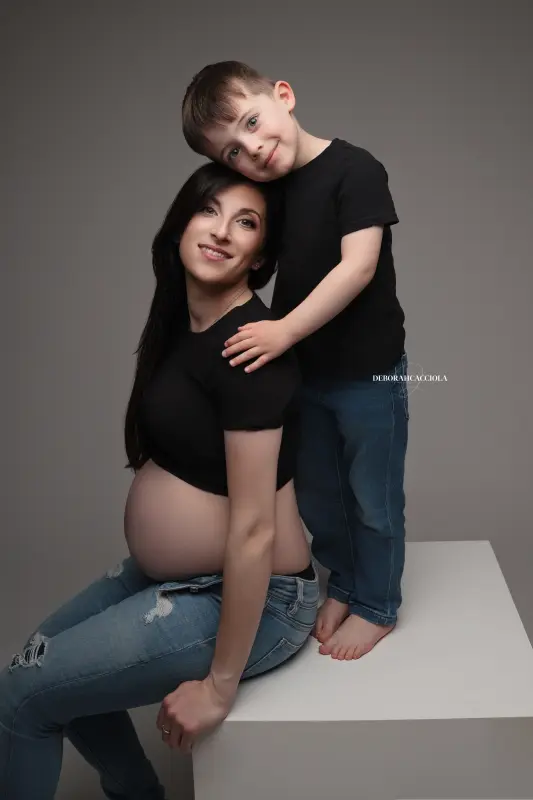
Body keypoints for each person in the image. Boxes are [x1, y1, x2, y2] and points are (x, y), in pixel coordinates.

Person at [0, 162, 318, 800]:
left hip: (251, 599)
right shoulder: (184, 323)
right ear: (181, 222)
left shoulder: (248, 351)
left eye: (246, 222)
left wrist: (220, 686)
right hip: (171, 581)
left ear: (261, 257)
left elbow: (254, 530)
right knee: (33, 666)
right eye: (210, 210)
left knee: (21, 699)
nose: (223, 231)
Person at [181, 61, 409, 661]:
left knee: (372, 495)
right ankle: (347, 582)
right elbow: (253, 257)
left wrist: (280, 331)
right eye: (233, 152)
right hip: (306, 373)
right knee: (318, 492)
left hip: (370, 372)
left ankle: (378, 604)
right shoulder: (271, 195)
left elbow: (356, 268)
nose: (252, 148)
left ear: (283, 95)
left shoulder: (355, 169)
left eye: (253, 122)